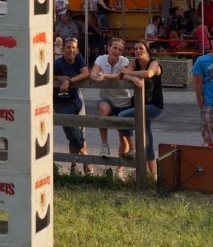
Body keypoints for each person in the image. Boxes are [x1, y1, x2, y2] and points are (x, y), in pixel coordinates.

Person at [117, 41, 163, 180]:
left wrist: (129, 72)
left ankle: (133, 149)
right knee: (147, 140)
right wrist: (132, 78)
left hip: (154, 106)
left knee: (122, 116)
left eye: (141, 48)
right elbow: (123, 75)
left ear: (147, 50)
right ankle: (153, 176)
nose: (137, 51)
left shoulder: (154, 63)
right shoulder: (134, 62)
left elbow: (148, 74)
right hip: (140, 105)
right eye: (135, 49)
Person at [90, 37, 132, 176]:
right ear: (108, 48)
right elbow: (93, 73)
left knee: (123, 137)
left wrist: (104, 76)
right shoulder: (101, 59)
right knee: (103, 109)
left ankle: (119, 168)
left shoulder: (124, 61)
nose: (117, 51)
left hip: (123, 101)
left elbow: (119, 76)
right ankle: (104, 144)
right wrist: (96, 77)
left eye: (120, 49)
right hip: (106, 98)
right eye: (114, 48)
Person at [53, 36, 91, 175]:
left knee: (81, 134)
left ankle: (74, 167)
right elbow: (44, 74)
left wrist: (69, 81)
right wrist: (58, 78)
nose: (71, 50)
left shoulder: (78, 57)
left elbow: (86, 73)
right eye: (68, 47)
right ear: (63, 50)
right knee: (74, 136)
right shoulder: (57, 63)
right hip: (62, 102)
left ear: (77, 49)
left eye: (74, 47)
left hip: (77, 98)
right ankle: (86, 160)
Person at [192, 47, 213, 148]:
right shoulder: (201, 61)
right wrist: (202, 108)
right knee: (210, 141)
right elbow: (198, 87)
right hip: (209, 105)